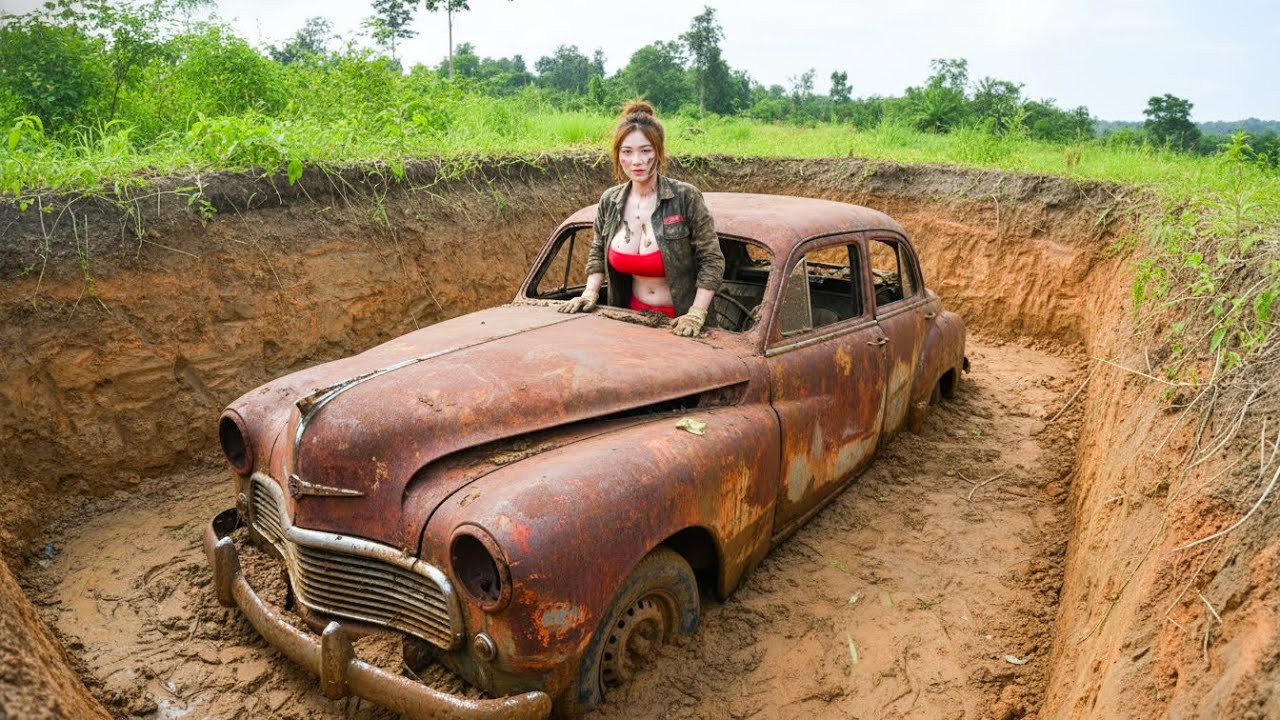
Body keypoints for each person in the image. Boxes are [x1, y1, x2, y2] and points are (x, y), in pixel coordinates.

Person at [558, 101, 724, 337]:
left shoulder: (685, 197)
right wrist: (590, 293)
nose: (636, 160)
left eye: (645, 150)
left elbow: (712, 260)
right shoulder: (610, 200)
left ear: (658, 152)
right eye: (627, 152)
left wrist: (696, 314)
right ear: (618, 155)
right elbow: (598, 250)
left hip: (680, 325)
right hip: (628, 319)